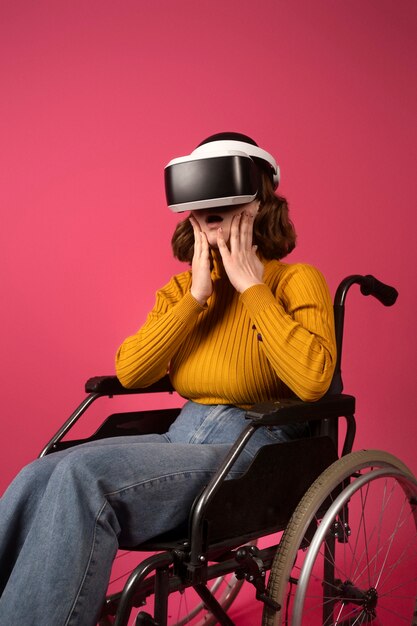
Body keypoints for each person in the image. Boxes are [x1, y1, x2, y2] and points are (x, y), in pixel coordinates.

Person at [0, 132, 336, 625]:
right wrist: (197, 297)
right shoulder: (183, 290)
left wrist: (250, 287)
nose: (209, 208)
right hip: (182, 436)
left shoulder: (295, 281)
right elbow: (130, 371)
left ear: (260, 198)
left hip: (252, 450)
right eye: (199, 202)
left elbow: (312, 383)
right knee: (38, 473)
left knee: (80, 476)